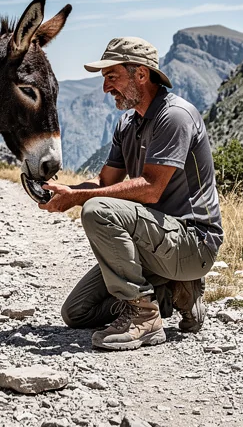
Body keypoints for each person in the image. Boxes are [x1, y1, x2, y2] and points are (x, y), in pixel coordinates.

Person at [38, 36, 224, 351]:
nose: (105, 88)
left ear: (141, 74)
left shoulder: (175, 116)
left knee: (97, 210)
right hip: (156, 241)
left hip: (193, 243)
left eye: (112, 77)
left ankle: (144, 315)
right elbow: (104, 182)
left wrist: (80, 200)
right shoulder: (127, 123)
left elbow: (151, 189)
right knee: (77, 313)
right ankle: (174, 290)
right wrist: (66, 192)